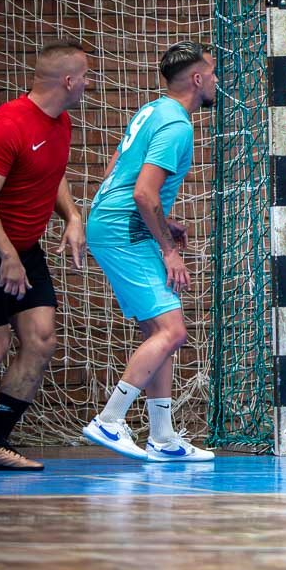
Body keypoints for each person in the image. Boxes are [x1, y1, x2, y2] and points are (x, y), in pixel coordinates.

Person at [0, 44, 91, 471]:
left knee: (41, 340)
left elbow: (51, 172)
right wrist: (6, 255)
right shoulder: (7, 125)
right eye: (85, 76)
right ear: (68, 81)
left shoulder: (60, 121)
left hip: (23, 250)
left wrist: (73, 216)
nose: (89, 83)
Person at [81, 42, 218, 462]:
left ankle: (163, 437)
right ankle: (109, 419)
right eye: (213, 73)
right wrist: (168, 250)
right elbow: (143, 193)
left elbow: (117, 171)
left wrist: (163, 222)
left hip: (116, 222)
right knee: (173, 332)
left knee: (159, 331)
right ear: (197, 79)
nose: (217, 81)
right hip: (126, 230)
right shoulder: (177, 125)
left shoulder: (153, 110)